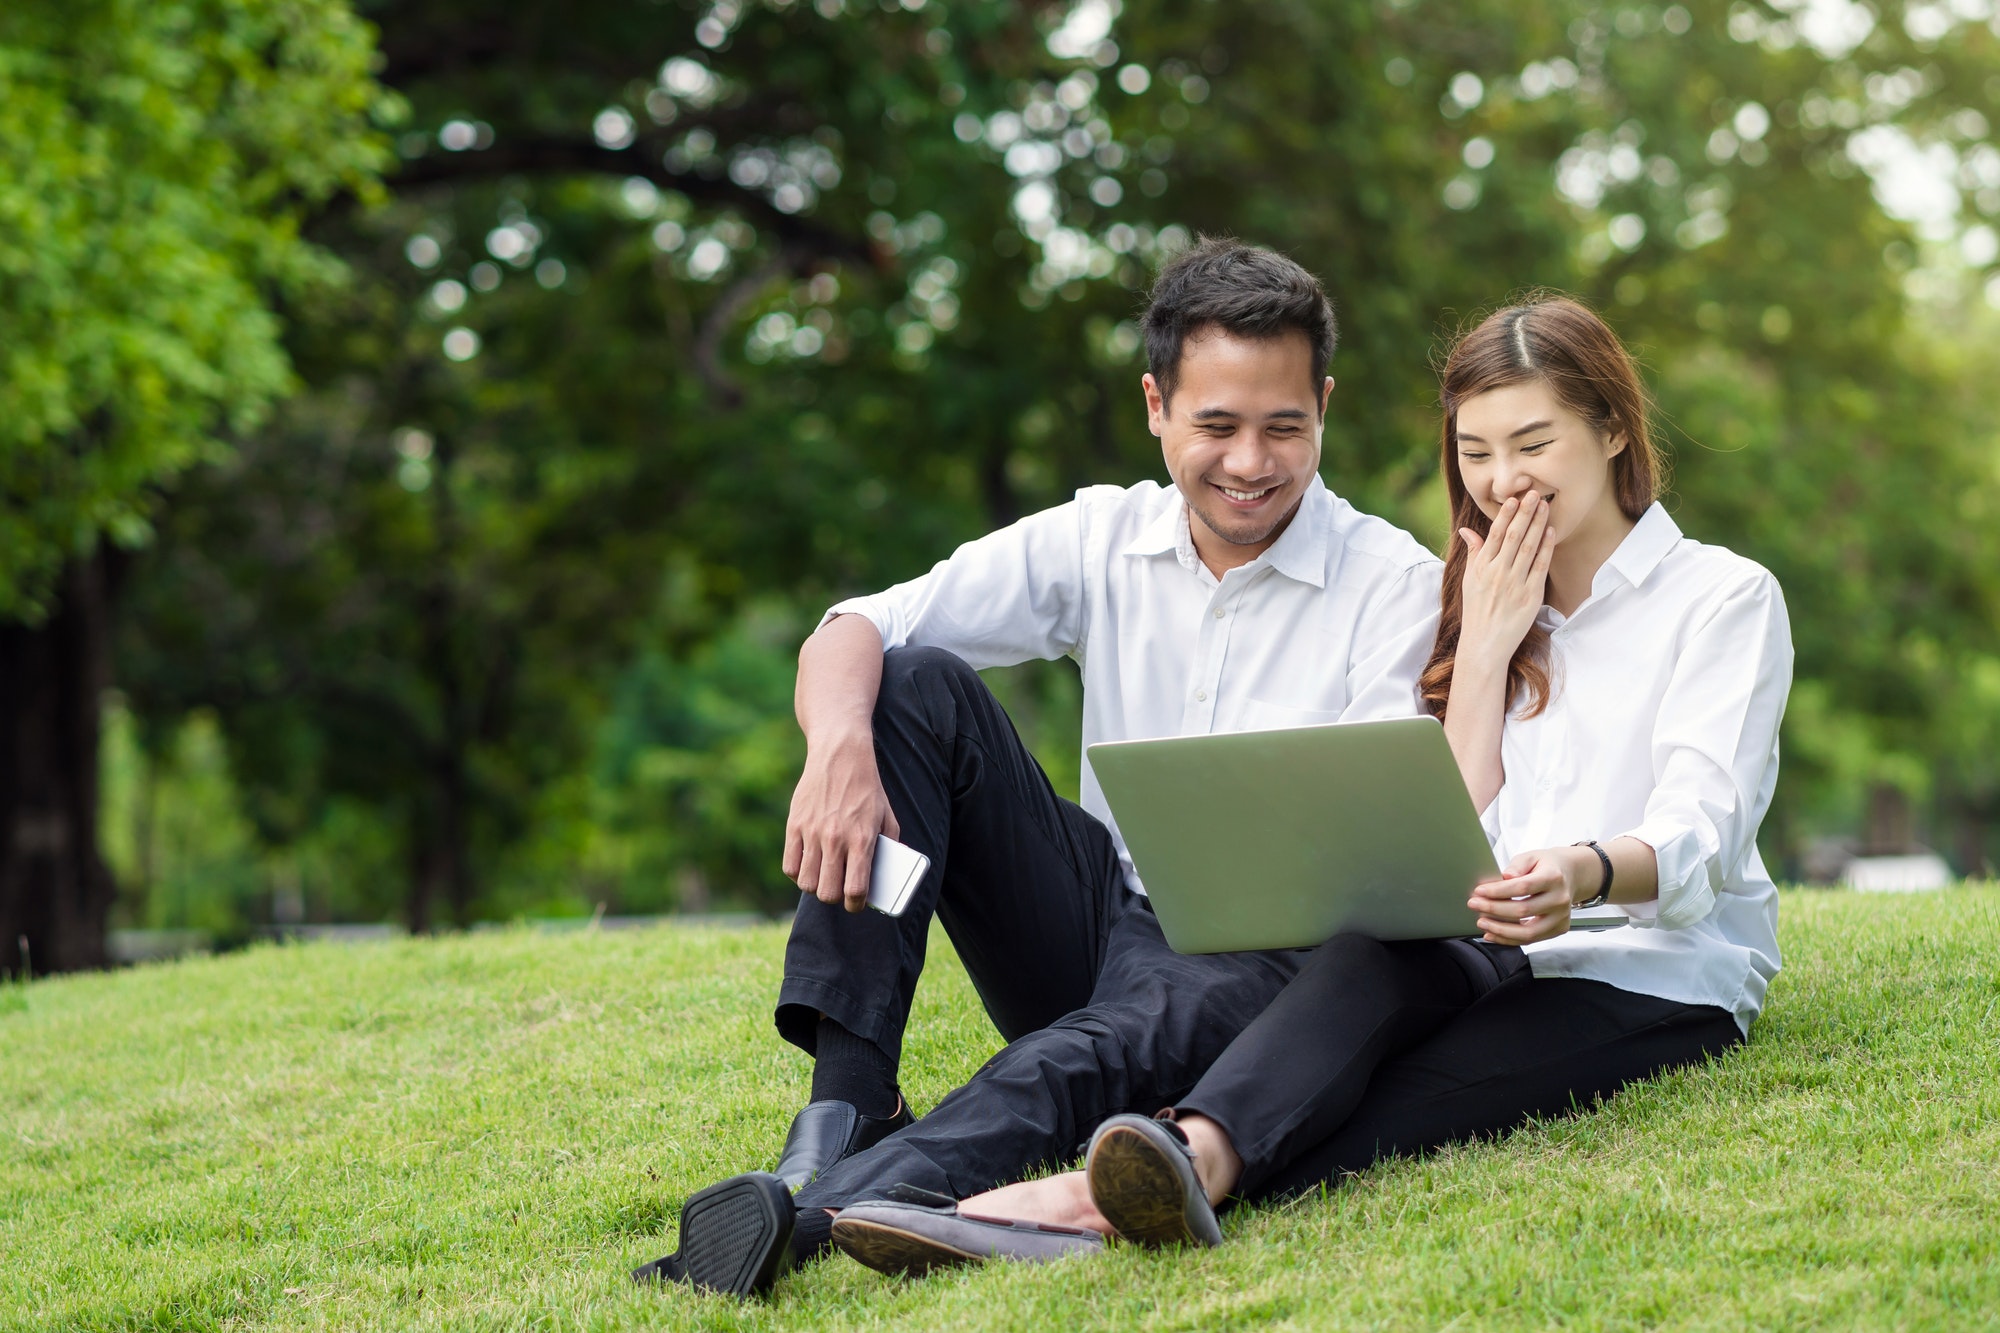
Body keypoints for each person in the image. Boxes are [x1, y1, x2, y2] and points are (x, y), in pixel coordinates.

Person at [825, 293, 1792, 1271]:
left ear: (1612, 427)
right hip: (1477, 961)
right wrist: (1491, 646)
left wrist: (1582, 871)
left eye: (1531, 444)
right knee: (1356, 983)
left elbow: (1702, 825)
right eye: (1474, 452)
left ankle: (1092, 1195)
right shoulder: (1478, 598)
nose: (1502, 482)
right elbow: (1447, 825)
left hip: (1646, 973)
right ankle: (1093, 1172)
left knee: (1365, 1105)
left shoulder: (1721, 597)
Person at [634, 238, 1446, 1297]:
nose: (1250, 461)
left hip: (1261, 970)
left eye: (1282, 426)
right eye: (1215, 426)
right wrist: (836, 752)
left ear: (1323, 407)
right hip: (1104, 913)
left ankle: (803, 1217)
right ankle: (847, 1101)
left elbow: (1389, 854)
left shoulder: (1394, 584)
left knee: (1059, 1067)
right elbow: (854, 626)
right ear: (1155, 404)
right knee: (911, 682)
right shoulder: (1099, 536)